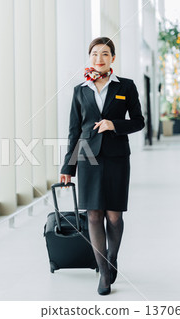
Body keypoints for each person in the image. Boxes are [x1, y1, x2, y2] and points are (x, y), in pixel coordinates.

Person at [59, 37, 145, 295]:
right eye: (95, 53)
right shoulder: (80, 90)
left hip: (117, 157)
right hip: (88, 158)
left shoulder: (125, 87)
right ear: (90, 57)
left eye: (105, 53)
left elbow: (139, 121)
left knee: (114, 215)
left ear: (112, 59)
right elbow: (74, 132)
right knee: (94, 215)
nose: (99, 58)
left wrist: (114, 125)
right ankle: (104, 271)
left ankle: (112, 256)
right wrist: (68, 167)